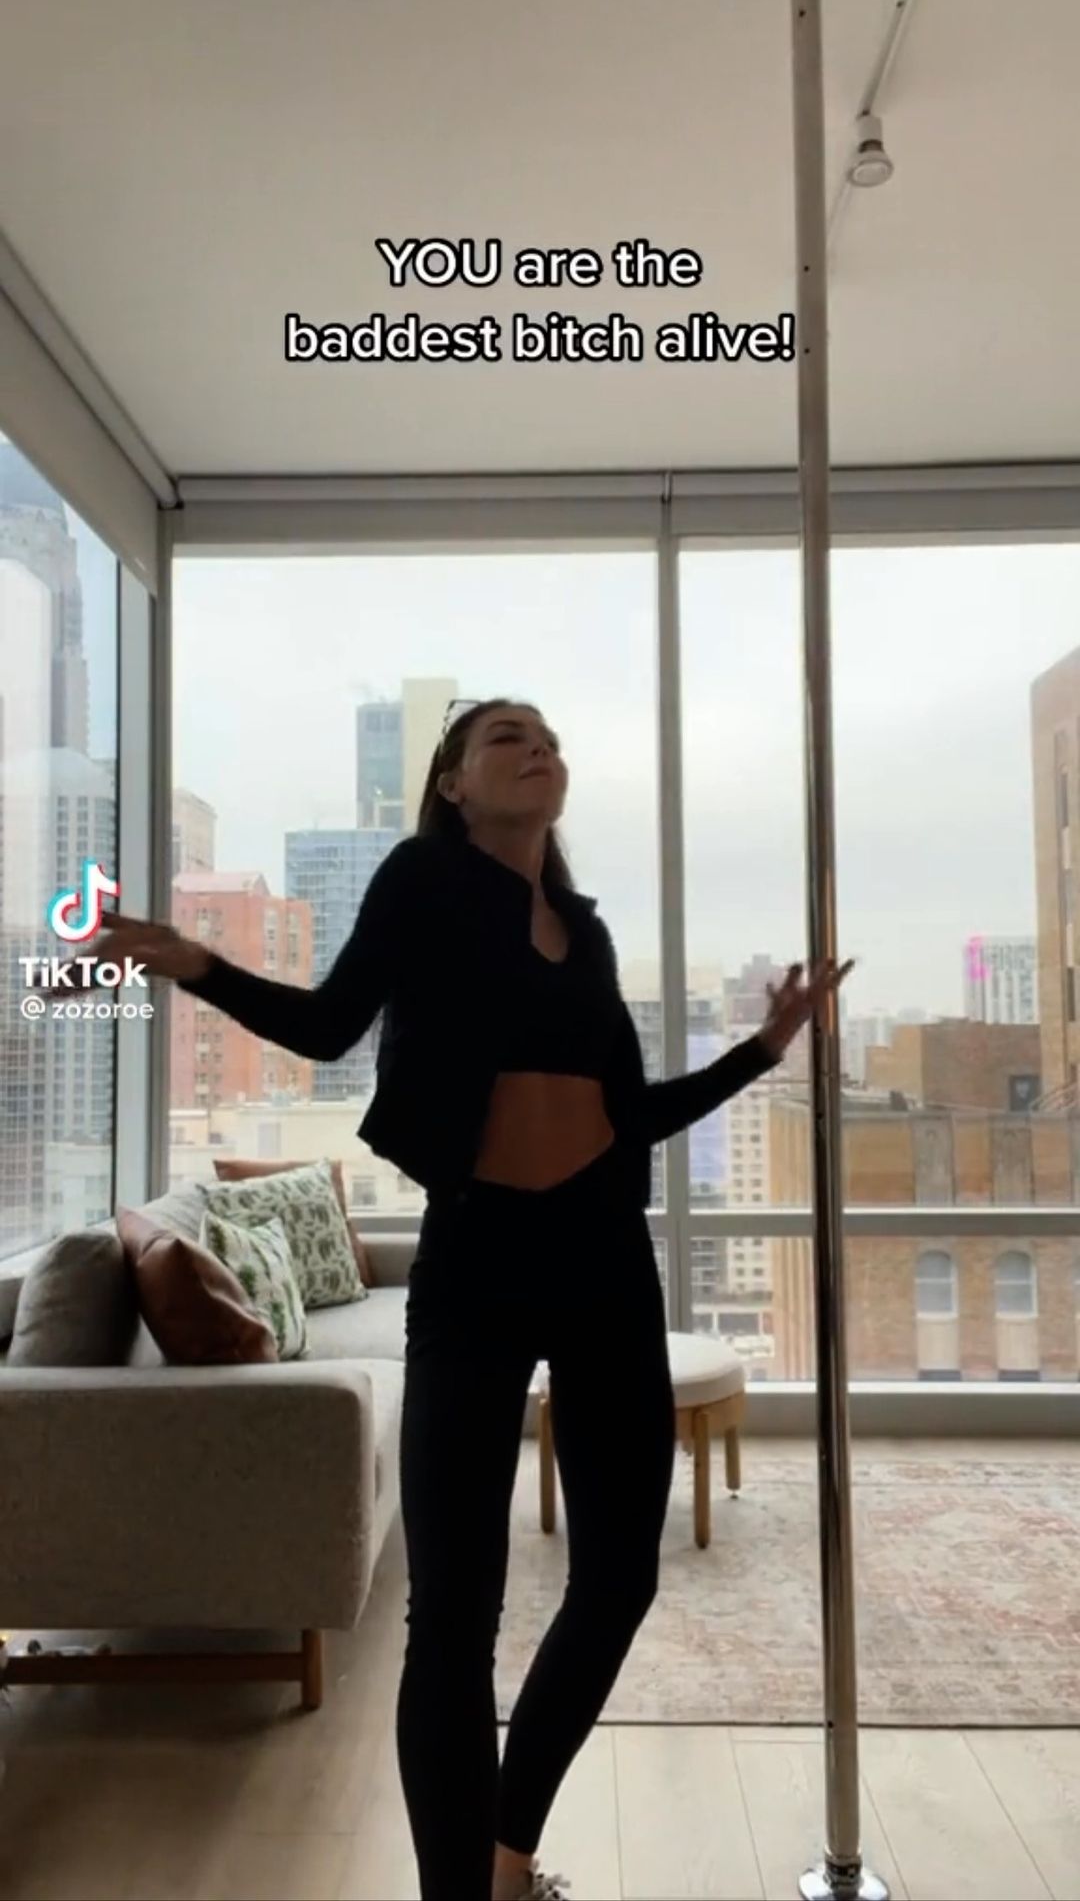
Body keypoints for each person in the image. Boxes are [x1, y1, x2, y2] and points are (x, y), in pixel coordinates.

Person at [97, 697, 852, 1901]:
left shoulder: (587, 932)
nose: (537, 747)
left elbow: (631, 1113)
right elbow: (328, 1025)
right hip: (479, 1259)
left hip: (605, 1261)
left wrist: (762, 1052)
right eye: (506, 736)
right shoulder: (423, 882)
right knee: (452, 1620)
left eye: (548, 735)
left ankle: (507, 1853)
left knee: (620, 1579)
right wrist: (198, 965)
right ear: (452, 784)